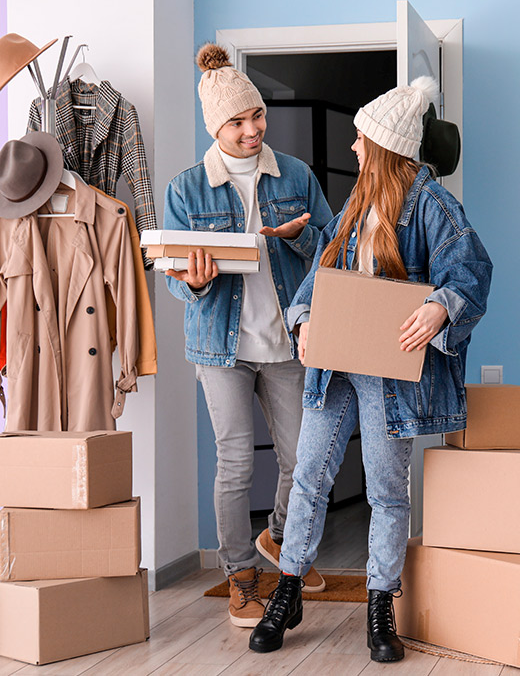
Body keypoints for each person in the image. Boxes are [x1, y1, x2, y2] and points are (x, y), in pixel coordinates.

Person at [248, 76, 493, 662]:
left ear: (381, 146)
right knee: (308, 478)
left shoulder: (432, 204)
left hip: (391, 379)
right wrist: (305, 319)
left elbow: (473, 272)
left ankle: (380, 606)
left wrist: (439, 306)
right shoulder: (356, 203)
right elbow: (318, 276)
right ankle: (289, 590)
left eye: (359, 140)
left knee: (386, 493)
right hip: (334, 368)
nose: (353, 149)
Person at [163, 43, 333, 628]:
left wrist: (297, 238)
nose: (252, 130)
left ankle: (282, 543)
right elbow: (175, 278)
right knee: (235, 463)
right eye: (237, 122)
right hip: (221, 348)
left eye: (256, 116)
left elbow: (333, 251)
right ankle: (238, 575)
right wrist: (193, 280)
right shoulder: (187, 190)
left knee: (301, 459)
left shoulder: (297, 175)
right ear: (216, 126)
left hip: (287, 341)